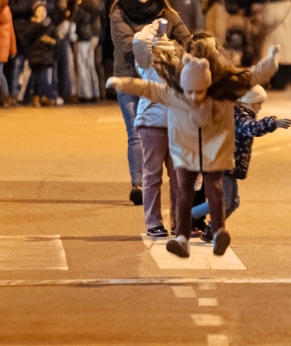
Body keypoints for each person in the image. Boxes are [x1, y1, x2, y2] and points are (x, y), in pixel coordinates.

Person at [106, 40, 280, 258]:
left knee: (215, 190)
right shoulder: (175, 93)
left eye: (199, 92)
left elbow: (253, 76)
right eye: (189, 92)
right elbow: (149, 89)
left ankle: (218, 233)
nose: (193, 97)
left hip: (213, 152)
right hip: (186, 152)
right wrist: (121, 83)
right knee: (183, 192)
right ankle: (181, 238)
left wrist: (272, 61)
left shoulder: (223, 93)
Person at [110, 0, 191, 205]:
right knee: (135, 132)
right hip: (129, 80)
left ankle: (169, 182)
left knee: (161, 132)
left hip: (158, 81)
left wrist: (173, 49)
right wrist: (157, 45)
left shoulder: (166, 11)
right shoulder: (120, 12)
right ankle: (138, 184)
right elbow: (128, 46)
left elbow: (186, 39)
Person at [192, 85, 291, 241]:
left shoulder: (239, 112)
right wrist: (273, 123)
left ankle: (207, 225)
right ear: (250, 101)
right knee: (225, 202)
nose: (260, 107)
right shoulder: (239, 115)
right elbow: (252, 128)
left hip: (227, 164)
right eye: (258, 103)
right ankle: (195, 217)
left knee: (232, 202)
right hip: (225, 164)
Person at [132, 21, 178, 237]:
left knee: (179, 177)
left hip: (176, 126)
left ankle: (180, 222)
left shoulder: (181, 67)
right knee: (153, 175)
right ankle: (153, 223)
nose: (167, 54)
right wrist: (154, 26)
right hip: (151, 124)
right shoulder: (147, 64)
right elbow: (140, 41)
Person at [69, 0, 101, 103]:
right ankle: (95, 92)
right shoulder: (92, 3)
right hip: (90, 37)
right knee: (89, 65)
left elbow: (74, 20)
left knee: (82, 64)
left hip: (82, 37)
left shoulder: (80, 4)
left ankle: (85, 94)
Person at [262, 0, 291, 90]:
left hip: (274, 36)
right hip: (288, 36)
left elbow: (266, 21)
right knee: (285, 62)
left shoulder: (270, 7)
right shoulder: (290, 6)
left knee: (273, 60)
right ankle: (282, 84)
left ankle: (273, 83)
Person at [26, 1, 57, 107]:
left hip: (47, 55)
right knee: (36, 77)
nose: (42, 13)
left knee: (44, 78)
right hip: (35, 55)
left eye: (44, 10)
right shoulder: (32, 25)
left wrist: (50, 41)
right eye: (39, 11)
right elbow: (29, 36)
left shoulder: (50, 25)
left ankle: (42, 97)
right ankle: (36, 97)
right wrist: (38, 24)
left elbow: (55, 40)